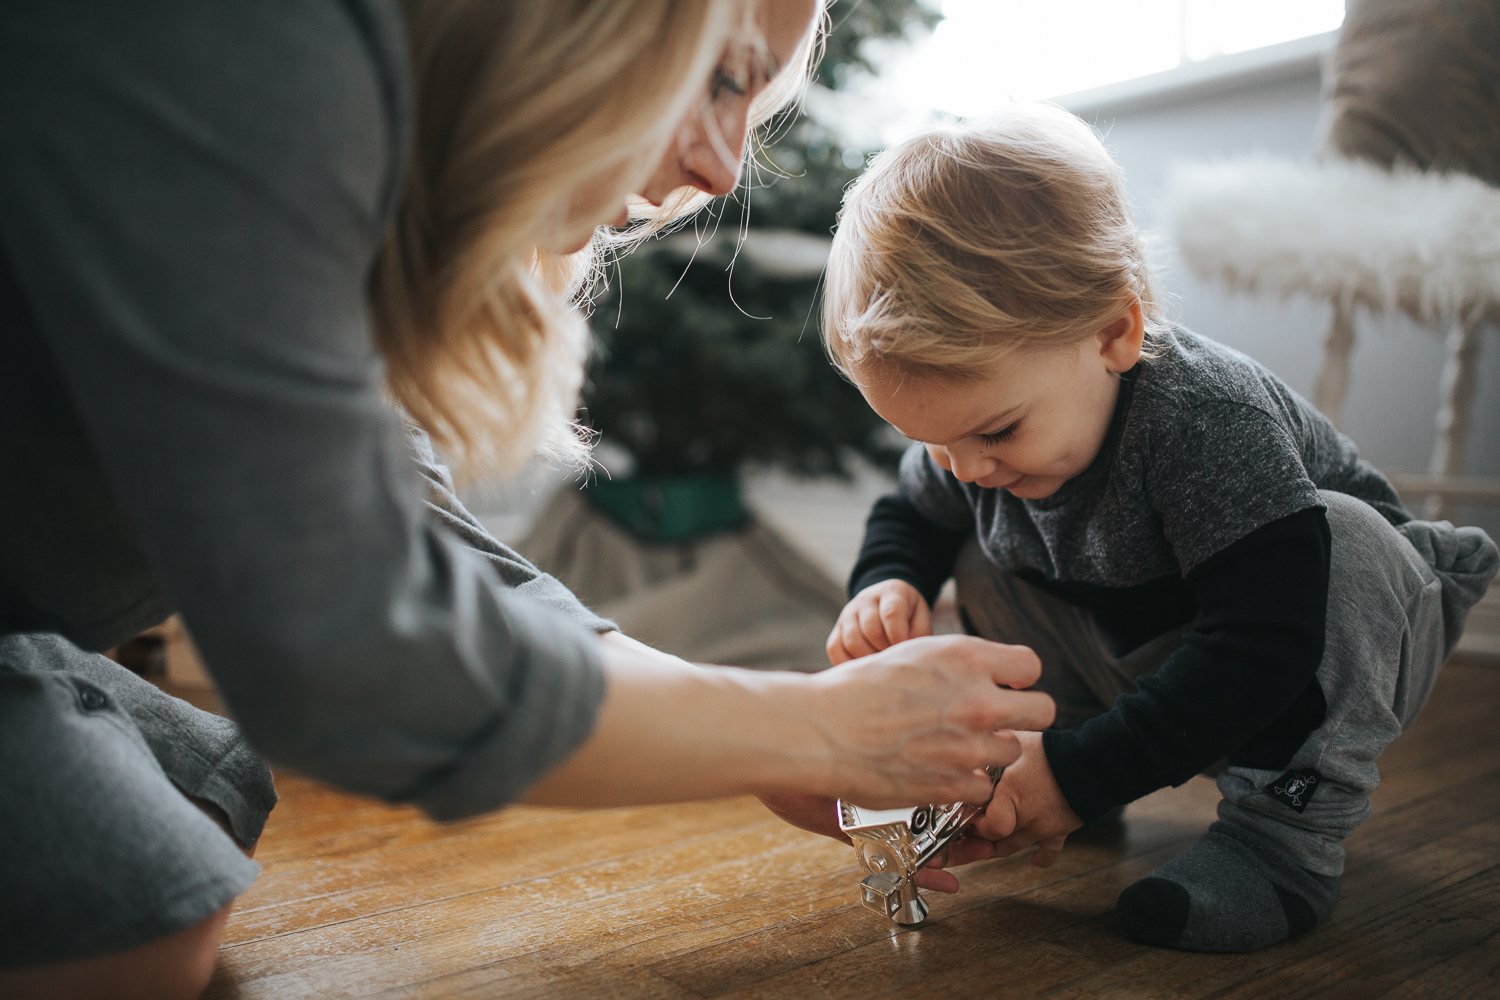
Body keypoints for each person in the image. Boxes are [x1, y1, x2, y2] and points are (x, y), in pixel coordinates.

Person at [0, 3, 1056, 997]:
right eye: (724, 77)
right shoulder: (247, 55)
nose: (725, 164)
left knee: (212, 794)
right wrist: (811, 728)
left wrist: (781, 748)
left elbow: (426, 540)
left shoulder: (361, 186)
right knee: (142, 922)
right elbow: (348, 646)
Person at [819, 103, 1499, 953]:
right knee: (972, 550)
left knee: (1342, 543)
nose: (966, 466)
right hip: (1160, 648)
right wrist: (889, 582)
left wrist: (1079, 775)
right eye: (933, 441)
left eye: (993, 432)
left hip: (1324, 651)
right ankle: (1072, 762)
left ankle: (1279, 843)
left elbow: (1265, 644)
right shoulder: (978, 442)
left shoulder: (1205, 421)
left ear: (1115, 331)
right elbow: (913, 512)